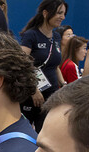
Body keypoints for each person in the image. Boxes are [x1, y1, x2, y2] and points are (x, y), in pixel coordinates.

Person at [20, 0, 67, 132]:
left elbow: (55, 66)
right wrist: (33, 90)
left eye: (64, 14)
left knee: (46, 133)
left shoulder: (56, 37)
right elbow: (22, 64)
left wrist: (63, 86)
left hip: (50, 97)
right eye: (59, 13)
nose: (62, 17)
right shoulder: (31, 35)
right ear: (46, 13)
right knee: (26, 133)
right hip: (30, 96)